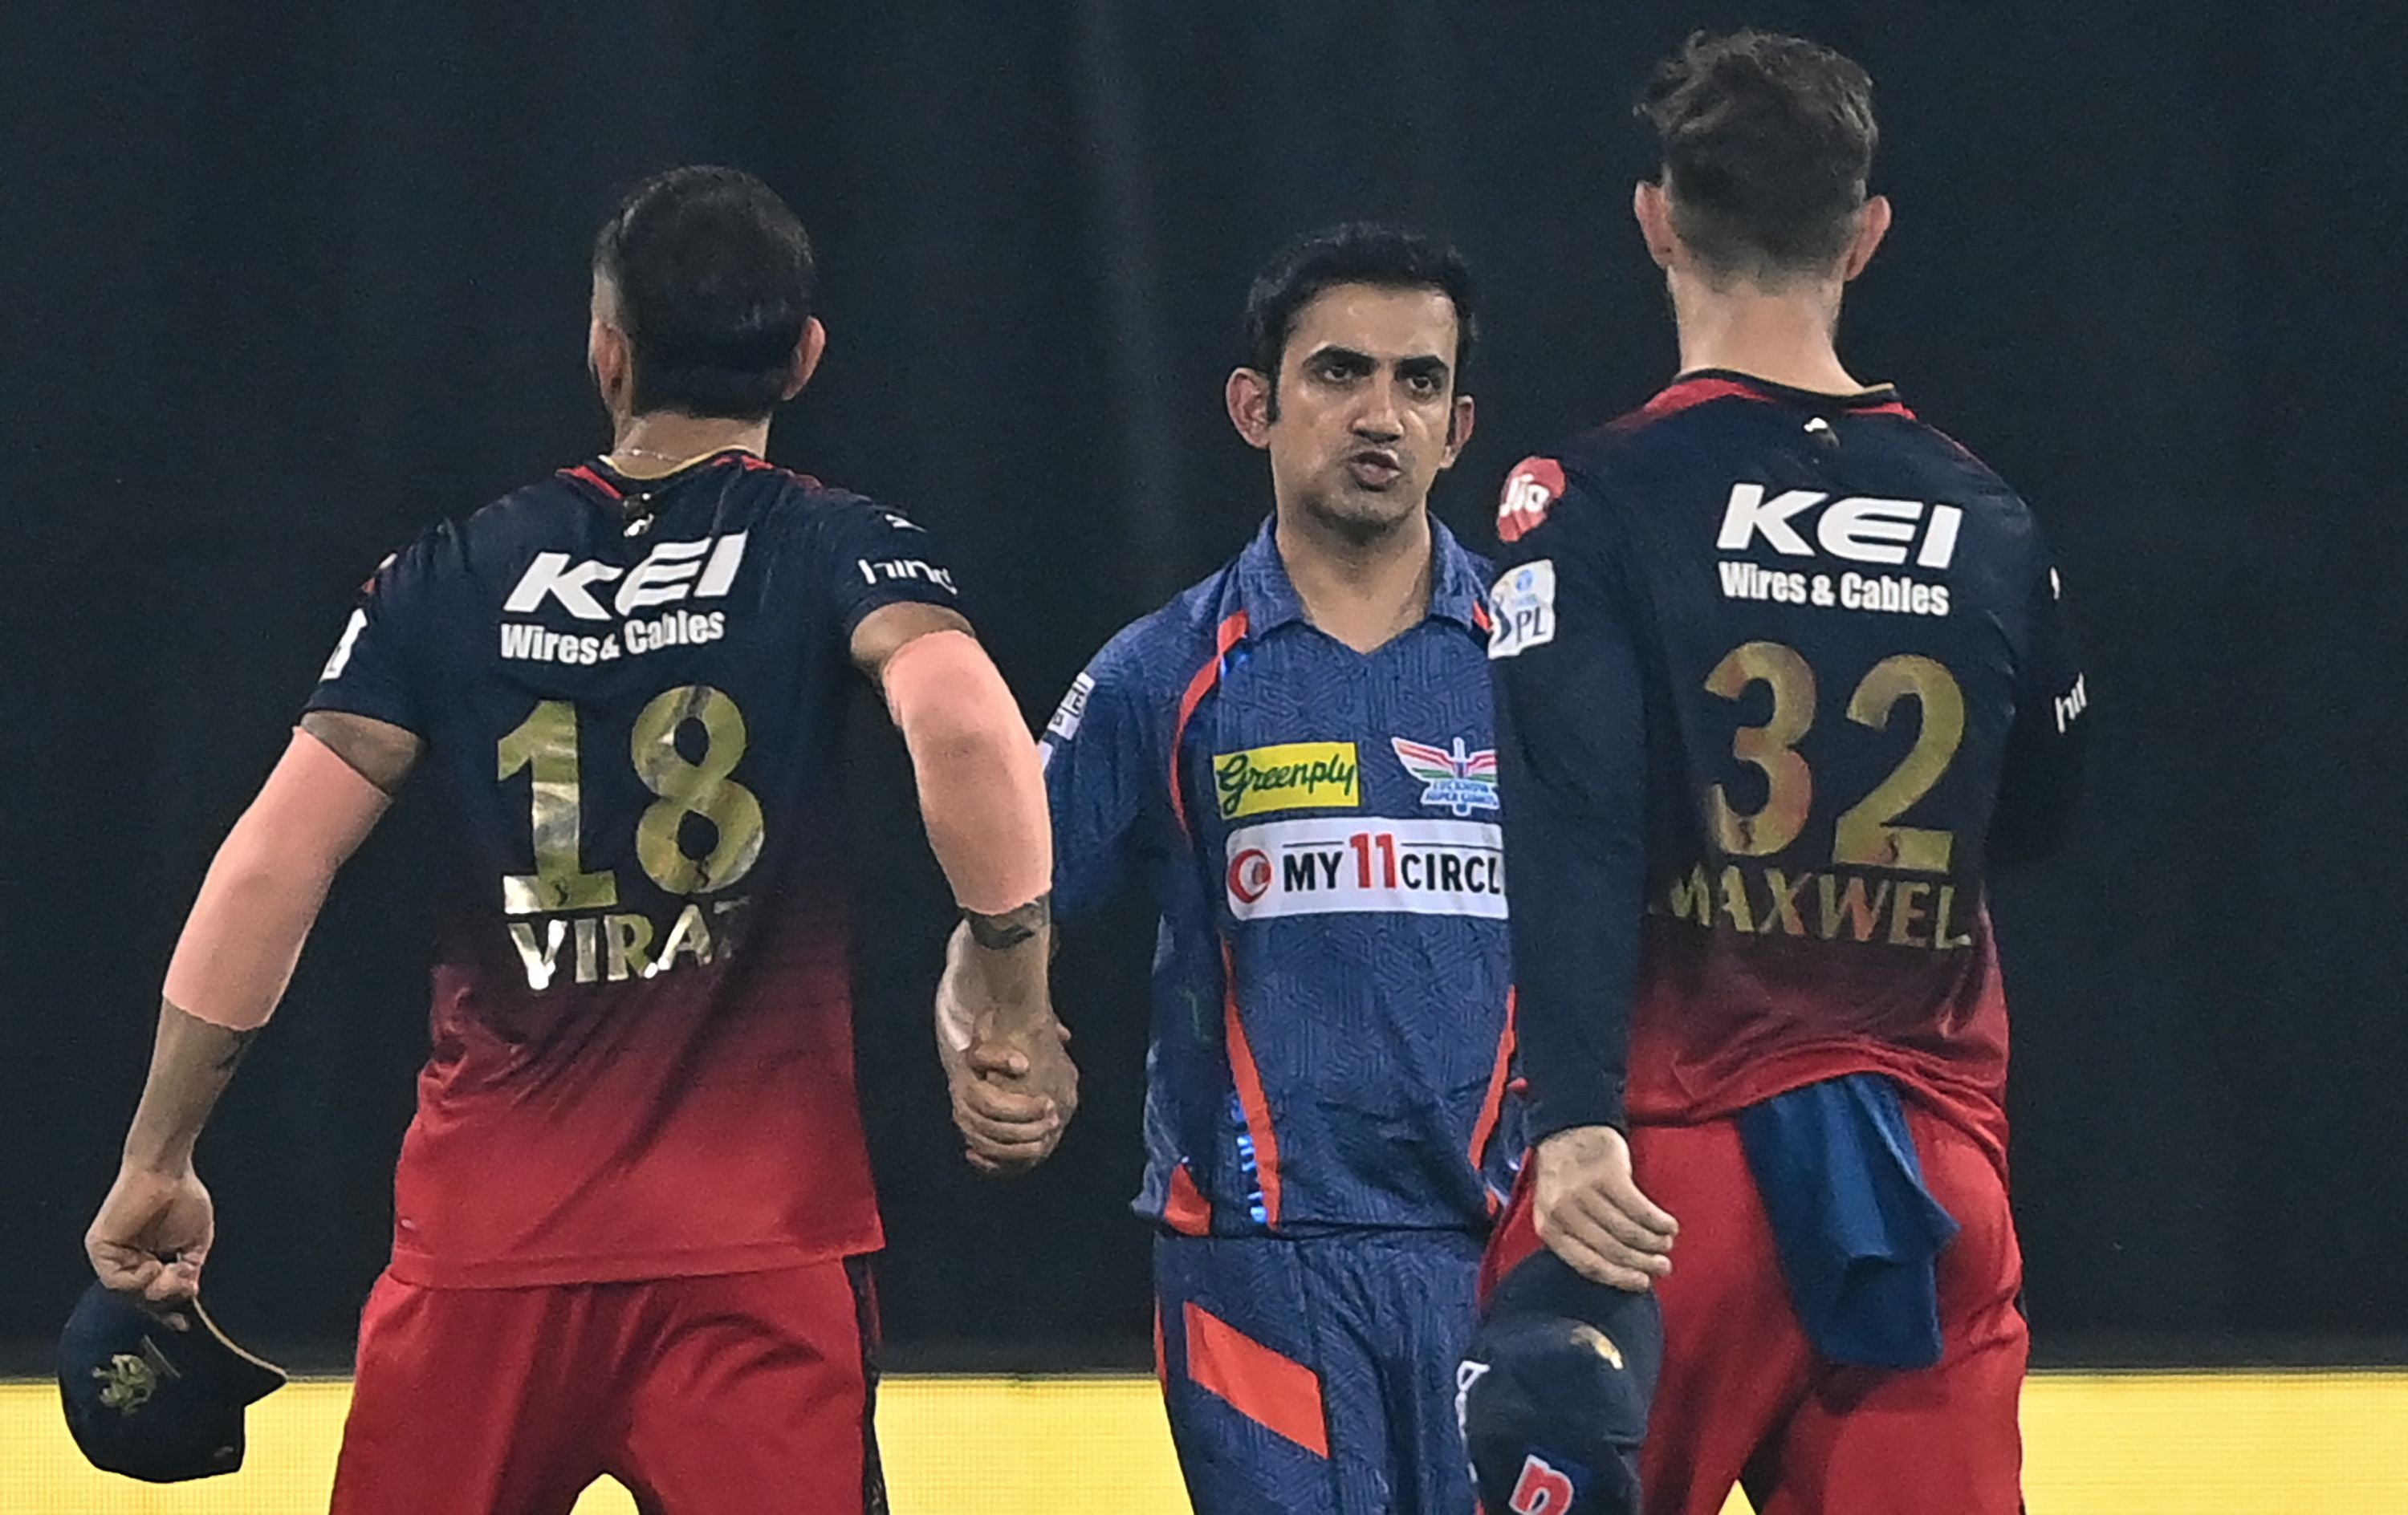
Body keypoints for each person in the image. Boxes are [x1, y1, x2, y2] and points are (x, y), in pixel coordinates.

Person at [81, 164, 1072, 1515]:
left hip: (484, 1250)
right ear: (804, 357)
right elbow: (963, 727)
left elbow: (272, 863)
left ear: (606, 354)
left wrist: (157, 1157)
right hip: (755, 1253)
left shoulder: (449, 571)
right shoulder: (840, 547)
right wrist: (1013, 993)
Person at [1477, 30, 2089, 1515]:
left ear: (1656, 220)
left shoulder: (1584, 498)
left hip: (1664, 1167)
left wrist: (1571, 1122)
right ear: (1868, 235)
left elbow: (1574, 828)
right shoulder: (1989, 520)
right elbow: (2039, 817)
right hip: (1926, 1165)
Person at [943, 224, 1518, 1514]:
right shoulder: (1164, 671)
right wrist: (994, 1042)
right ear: (1255, 405)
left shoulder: (1535, 668)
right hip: (1256, 1263)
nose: (1380, 415)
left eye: (1418, 383)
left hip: (1508, 1256)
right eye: (1339, 374)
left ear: (1459, 424)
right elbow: (998, 906)